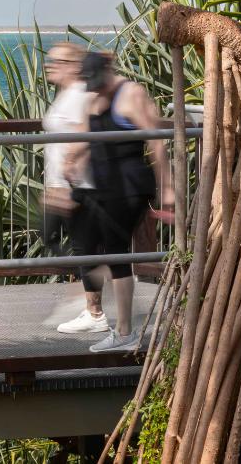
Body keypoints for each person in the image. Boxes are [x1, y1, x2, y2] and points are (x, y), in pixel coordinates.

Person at [57, 51, 173, 352]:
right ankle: (111, 322)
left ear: (109, 71)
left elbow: (156, 141)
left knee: (117, 253)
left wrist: (168, 187)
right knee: (92, 247)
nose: (95, 88)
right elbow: (86, 135)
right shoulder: (93, 96)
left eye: (98, 82)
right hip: (104, 188)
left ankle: (124, 332)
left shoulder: (130, 93)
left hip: (131, 186)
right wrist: (71, 159)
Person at [41, 42, 91, 264]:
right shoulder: (66, 94)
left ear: (74, 66)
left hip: (75, 186)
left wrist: (67, 180)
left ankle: (92, 292)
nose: (50, 66)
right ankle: (88, 289)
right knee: (51, 237)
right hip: (61, 185)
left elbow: (88, 133)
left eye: (57, 62)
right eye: (50, 61)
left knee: (79, 246)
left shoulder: (80, 95)